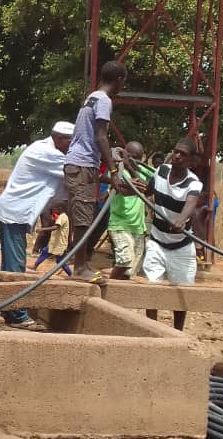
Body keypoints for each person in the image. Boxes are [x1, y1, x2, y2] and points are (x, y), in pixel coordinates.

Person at [0, 121, 74, 328]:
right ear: (58, 139)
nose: (71, 146)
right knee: (15, 266)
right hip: (15, 212)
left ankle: (8, 308)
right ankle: (17, 315)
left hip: (16, 211)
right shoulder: (47, 153)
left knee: (11, 265)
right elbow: (77, 174)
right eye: (69, 141)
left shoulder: (49, 149)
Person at [63, 60, 127, 282]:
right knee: (83, 217)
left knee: (83, 216)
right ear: (119, 80)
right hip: (82, 164)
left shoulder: (92, 97)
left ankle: (82, 263)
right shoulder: (104, 101)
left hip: (81, 164)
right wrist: (113, 169)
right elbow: (101, 136)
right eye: (123, 83)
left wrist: (106, 177)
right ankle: (80, 268)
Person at [142, 139, 201, 330]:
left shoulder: (194, 183)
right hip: (156, 241)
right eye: (176, 152)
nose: (177, 156)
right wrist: (131, 186)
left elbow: (191, 203)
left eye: (183, 154)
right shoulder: (161, 171)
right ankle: (152, 331)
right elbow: (148, 190)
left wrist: (181, 219)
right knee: (152, 290)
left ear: (192, 160)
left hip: (180, 246)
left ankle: (178, 334)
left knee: (181, 294)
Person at [108, 141, 153, 280]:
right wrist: (126, 167)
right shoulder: (117, 171)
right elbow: (123, 190)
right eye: (131, 156)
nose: (135, 160)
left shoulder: (143, 171)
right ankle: (111, 286)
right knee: (124, 260)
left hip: (138, 227)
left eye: (138, 157)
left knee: (131, 269)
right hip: (120, 224)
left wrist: (132, 168)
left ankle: (121, 292)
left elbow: (146, 189)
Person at [31, 201, 71, 277]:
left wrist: (42, 229)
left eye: (54, 209)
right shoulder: (61, 217)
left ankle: (70, 274)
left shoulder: (62, 217)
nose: (54, 211)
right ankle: (35, 266)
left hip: (59, 244)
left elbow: (56, 227)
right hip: (55, 243)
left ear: (60, 208)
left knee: (60, 261)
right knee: (45, 252)